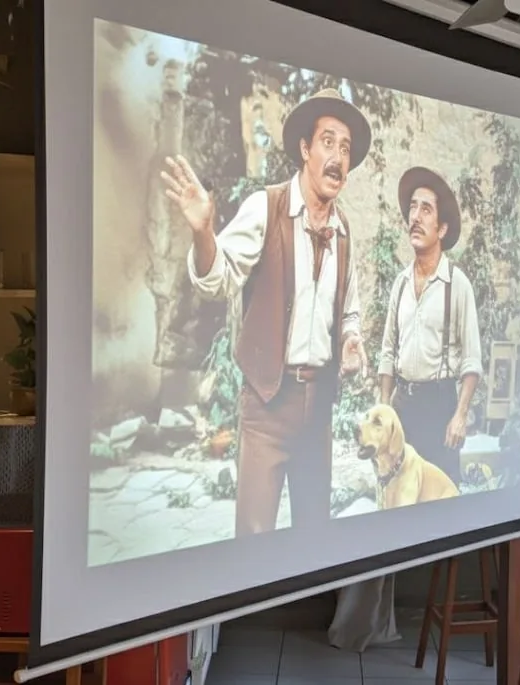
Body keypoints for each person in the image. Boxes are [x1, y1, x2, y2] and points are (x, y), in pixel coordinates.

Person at [160, 88, 372, 536]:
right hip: (267, 405)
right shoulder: (266, 206)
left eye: (346, 148)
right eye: (328, 142)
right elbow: (217, 280)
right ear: (305, 150)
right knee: (254, 543)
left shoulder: (344, 231)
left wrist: (351, 339)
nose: (337, 157)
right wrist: (203, 234)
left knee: (313, 539)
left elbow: (348, 312)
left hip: (318, 411)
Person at [377, 166, 482, 486]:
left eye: (426, 209)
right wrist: (384, 409)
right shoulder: (400, 284)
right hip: (403, 407)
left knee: (440, 500)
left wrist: (460, 416)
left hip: (440, 408)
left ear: (442, 228)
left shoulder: (457, 284)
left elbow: (472, 361)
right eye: (412, 207)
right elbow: (387, 351)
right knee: (398, 497)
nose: (416, 217)